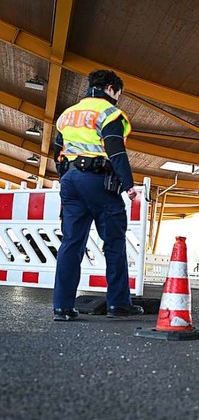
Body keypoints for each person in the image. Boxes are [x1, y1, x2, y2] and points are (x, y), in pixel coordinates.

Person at [52, 69, 143, 321]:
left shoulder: (67, 114)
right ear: (111, 89)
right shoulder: (109, 113)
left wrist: (66, 177)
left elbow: (57, 150)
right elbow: (116, 151)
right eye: (119, 94)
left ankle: (62, 306)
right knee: (113, 242)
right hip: (98, 181)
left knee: (71, 242)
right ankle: (118, 304)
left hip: (70, 180)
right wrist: (128, 185)